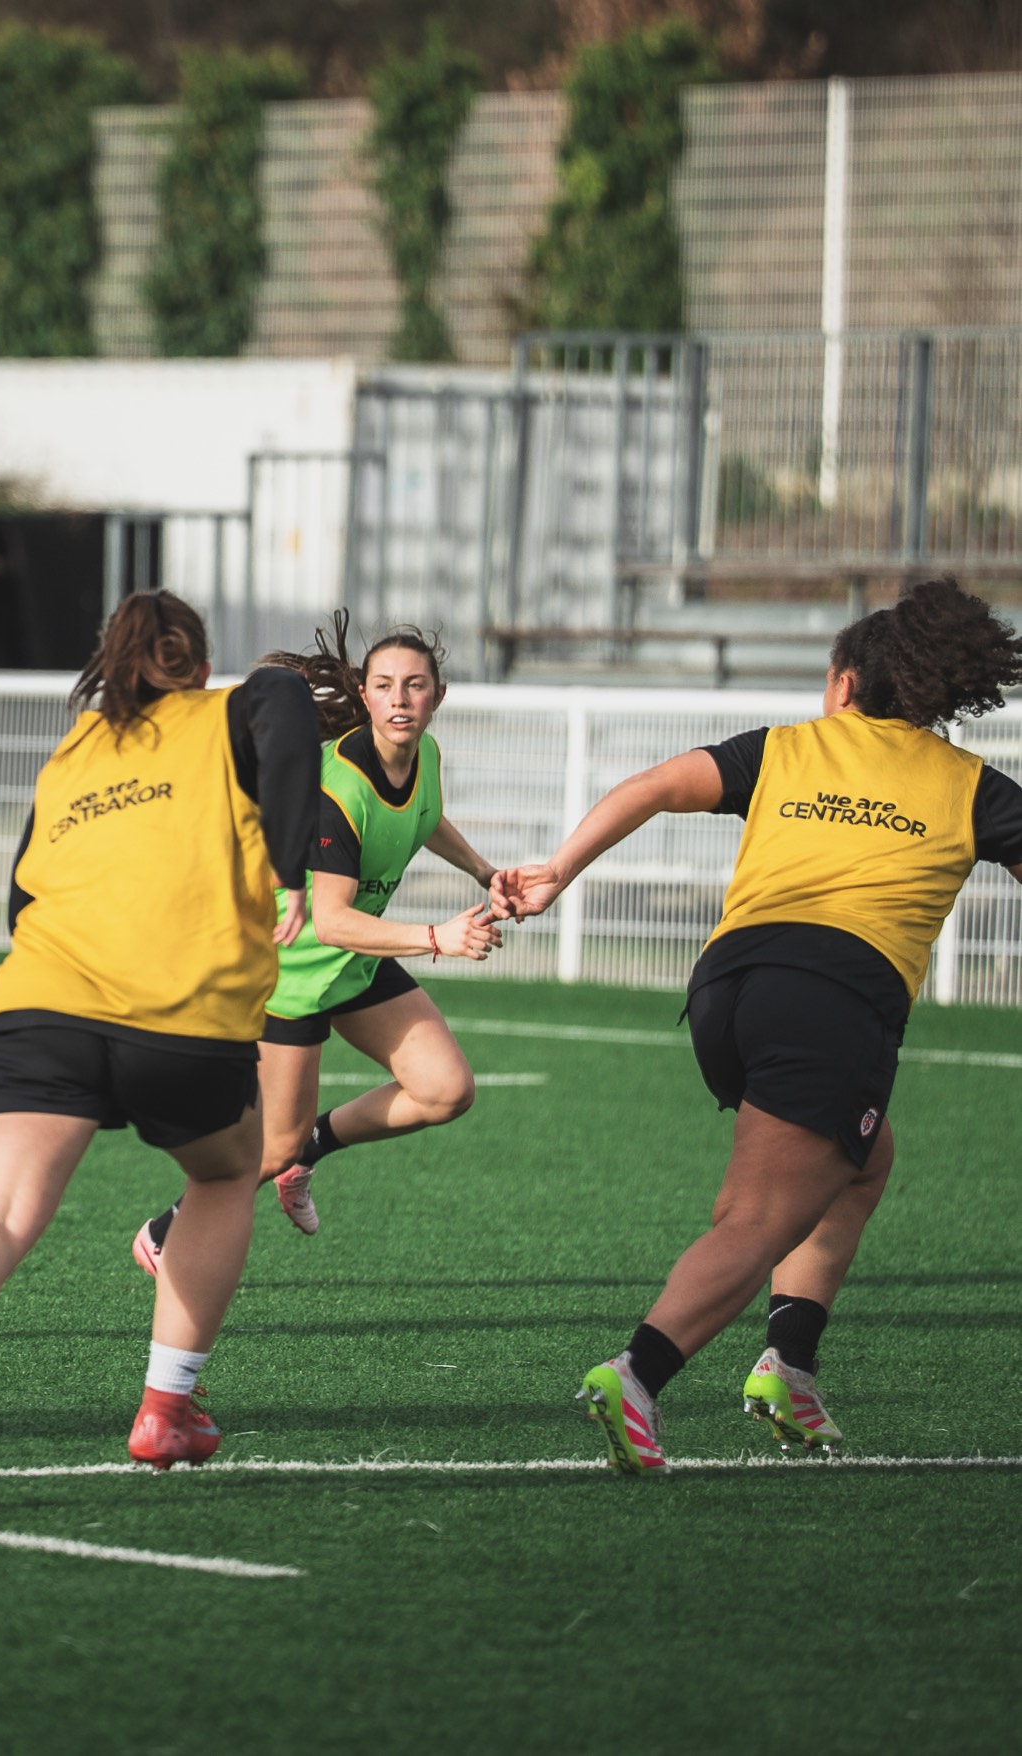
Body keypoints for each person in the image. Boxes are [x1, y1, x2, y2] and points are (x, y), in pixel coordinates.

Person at [498, 578, 1022, 1474]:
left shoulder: (787, 747)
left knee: (864, 1157)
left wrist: (557, 872)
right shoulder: (972, 787)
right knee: (756, 1218)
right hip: (831, 1002)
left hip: (725, 991)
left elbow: (655, 785)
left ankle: (790, 1367)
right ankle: (636, 1376)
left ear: (845, 684)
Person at [0, 590, 319, 1512]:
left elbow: (18, 901)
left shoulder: (75, 749)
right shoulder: (230, 711)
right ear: (200, 665)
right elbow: (282, 697)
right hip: (182, 1014)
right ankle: (166, 1408)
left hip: (41, 1004)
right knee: (228, 1173)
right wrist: (290, 867)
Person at [131, 619, 506, 1270]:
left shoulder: (425, 754)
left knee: (446, 1090)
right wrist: (437, 938)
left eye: (414, 686)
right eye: (384, 685)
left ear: (437, 696)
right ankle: (164, 1232)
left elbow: (424, 815)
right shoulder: (338, 788)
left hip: (355, 959)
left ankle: (309, 1153)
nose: (399, 699)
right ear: (363, 694)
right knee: (270, 1146)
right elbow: (330, 922)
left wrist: (484, 871)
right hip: (295, 972)